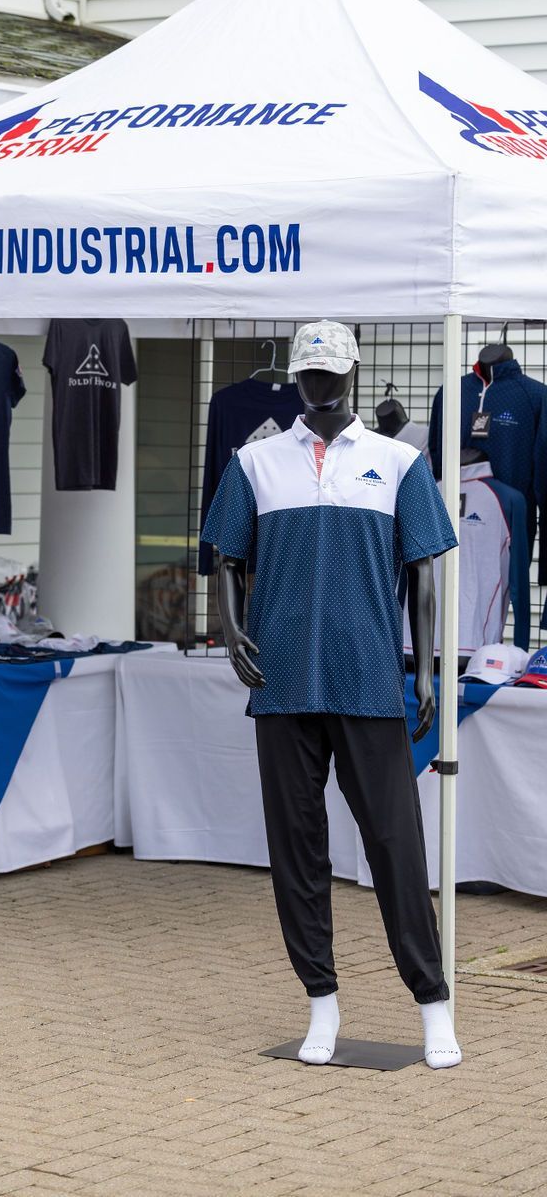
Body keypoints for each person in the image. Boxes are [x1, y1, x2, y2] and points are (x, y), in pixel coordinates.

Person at [203, 320, 462, 1070]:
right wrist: (229, 627)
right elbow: (227, 553)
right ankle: (321, 999)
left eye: (331, 372)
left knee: (396, 845)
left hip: (367, 678)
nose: (320, 385)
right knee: (297, 850)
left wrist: (423, 668)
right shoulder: (255, 461)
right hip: (281, 681)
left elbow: (422, 571)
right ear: (295, 375)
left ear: (353, 371)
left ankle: (432, 1000)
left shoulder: (398, 460)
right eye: (308, 374)